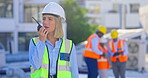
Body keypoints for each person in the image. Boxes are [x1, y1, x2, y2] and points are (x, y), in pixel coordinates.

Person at [29, 2, 79, 78]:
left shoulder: (69, 45)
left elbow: (74, 72)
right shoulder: (34, 42)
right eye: (44, 19)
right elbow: (36, 65)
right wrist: (41, 42)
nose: (45, 22)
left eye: (50, 19)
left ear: (58, 22)